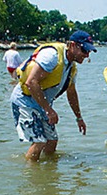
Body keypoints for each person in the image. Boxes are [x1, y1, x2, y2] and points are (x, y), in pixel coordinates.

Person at [10, 30, 96, 161]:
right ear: (72, 45)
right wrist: (49, 110)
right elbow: (31, 82)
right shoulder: (51, 56)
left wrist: (79, 118)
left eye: (89, 52)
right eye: (84, 50)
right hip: (25, 100)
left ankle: (49, 174)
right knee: (39, 141)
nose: (86, 55)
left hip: (42, 104)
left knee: (52, 140)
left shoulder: (71, 68)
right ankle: (31, 176)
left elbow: (71, 92)